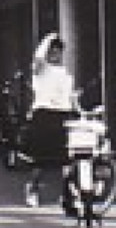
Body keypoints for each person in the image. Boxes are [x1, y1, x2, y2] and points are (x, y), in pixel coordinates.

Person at [22, 33, 78, 207]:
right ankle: (33, 189)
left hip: (62, 114)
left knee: (67, 158)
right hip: (43, 114)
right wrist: (47, 39)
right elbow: (37, 58)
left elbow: (70, 97)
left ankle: (67, 194)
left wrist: (78, 110)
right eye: (52, 52)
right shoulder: (41, 70)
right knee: (41, 158)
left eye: (58, 52)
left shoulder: (65, 74)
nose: (55, 55)